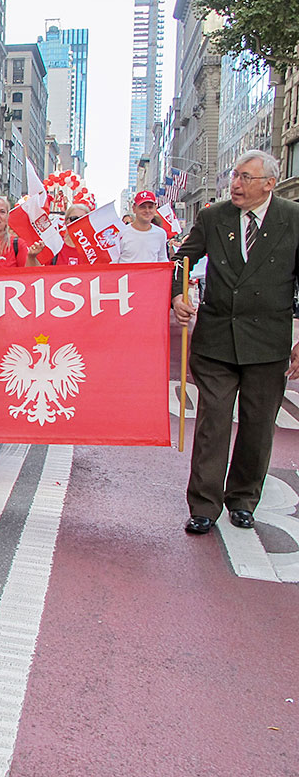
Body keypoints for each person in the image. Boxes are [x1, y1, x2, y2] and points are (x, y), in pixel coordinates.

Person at [171, 150, 299, 535]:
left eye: (246, 178)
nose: (236, 184)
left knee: (258, 427)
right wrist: (177, 294)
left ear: (270, 184)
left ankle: (243, 500)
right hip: (216, 341)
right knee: (213, 423)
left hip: (267, 343)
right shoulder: (214, 217)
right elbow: (181, 261)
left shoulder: (292, 218)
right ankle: (203, 505)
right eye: (235, 176)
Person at [0, 195, 42, 267]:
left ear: (7, 216)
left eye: (2, 212)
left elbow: (30, 272)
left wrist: (31, 257)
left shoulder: (18, 245)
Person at [119, 191, 169, 263]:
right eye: (142, 207)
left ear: (155, 208)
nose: (147, 211)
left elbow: (162, 259)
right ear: (134, 208)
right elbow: (114, 261)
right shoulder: (121, 233)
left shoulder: (161, 233)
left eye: (150, 207)